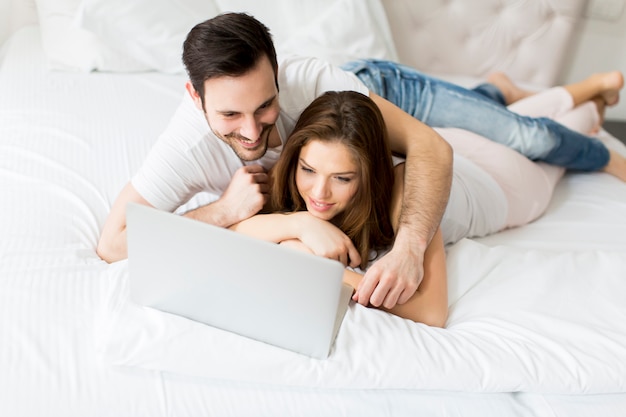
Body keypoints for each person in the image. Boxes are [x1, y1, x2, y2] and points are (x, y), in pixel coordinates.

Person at [96, 11, 622, 310]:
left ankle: (594, 142)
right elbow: (113, 243)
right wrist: (225, 212)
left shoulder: (325, 97)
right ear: (194, 97)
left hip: (375, 98)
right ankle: (498, 91)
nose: (253, 131)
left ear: (279, 77)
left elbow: (431, 148)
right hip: (348, 132)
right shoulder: (186, 146)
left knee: (524, 136)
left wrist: (410, 248)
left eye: (265, 106)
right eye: (231, 115)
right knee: (496, 127)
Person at [229, 72, 625, 325]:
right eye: (309, 171)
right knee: (516, 126)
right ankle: (515, 89)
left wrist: (324, 270)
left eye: (343, 178)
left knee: (549, 146)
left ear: (371, 172)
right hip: (458, 144)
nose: (318, 193)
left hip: (504, 185)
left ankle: (589, 103)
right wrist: (299, 224)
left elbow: (431, 312)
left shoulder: (407, 195)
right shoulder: (292, 171)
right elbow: (235, 232)